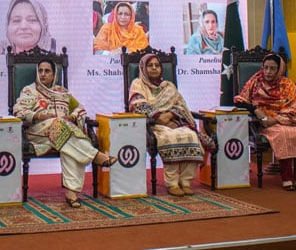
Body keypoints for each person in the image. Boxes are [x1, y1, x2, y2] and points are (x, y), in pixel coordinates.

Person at [13, 59, 117, 208]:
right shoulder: (29, 91)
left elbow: (80, 108)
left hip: (62, 132)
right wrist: (38, 116)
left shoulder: (62, 92)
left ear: (54, 74)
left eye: (47, 71)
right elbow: (18, 111)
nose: (43, 74)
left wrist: (72, 117)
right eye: (40, 71)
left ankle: (71, 194)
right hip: (37, 132)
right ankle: (96, 156)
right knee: (65, 130)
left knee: (68, 142)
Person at [234, 53, 296, 191]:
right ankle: (287, 178)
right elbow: (240, 101)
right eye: (266, 68)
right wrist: (256, 111)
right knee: (282, 134)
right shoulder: (255, 81)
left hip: (287, 120)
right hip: (264, 122)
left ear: (280, 70)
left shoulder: (287, 84)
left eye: (272, 68)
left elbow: (294, 107)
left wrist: (276, 119)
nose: (268, 72)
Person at [128, 54, 206, 196]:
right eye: (150, 65)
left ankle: (186, 181)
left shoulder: (169, 86)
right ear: (143, 68)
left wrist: (170, 117)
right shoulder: (138, 84)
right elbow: (138, 106)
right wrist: (159, 118)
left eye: (157, 65)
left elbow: (181, 106)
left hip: (173, 121)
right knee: (170, 138)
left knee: (190, 136)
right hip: (152, 125)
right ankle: (172, 183)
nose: (153, 68)